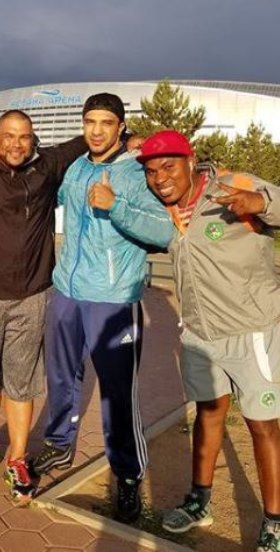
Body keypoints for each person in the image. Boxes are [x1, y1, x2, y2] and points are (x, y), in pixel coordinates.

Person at [31, 93, 174, 523]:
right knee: (61, 376)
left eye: (106, 123)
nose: (96, 130)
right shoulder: (76, 168)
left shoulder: (134, 173)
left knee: (117, 392)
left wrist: (117, 206)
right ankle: (59, 444)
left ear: (120, 127)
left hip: (113, 298)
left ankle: (127, 475)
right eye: (90, 121)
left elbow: (164, 231)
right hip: (67, 292)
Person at [138, 130, 280, 551]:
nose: (160, 178)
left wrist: (262, 203)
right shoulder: (167, 208)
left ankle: (275, 521)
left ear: (191, 160)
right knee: (209, 412)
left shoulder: (233, 185)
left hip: (252, 330)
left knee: (262, 425)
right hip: (200, 333)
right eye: (151, 171)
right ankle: (199, 501)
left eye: (168, 166)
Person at [0, 110, 88, 502]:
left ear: (33, 140)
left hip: (31, 296)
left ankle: (17, 456)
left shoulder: (46, 166)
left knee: (20, 380)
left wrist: (128, 139)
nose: (16, 144)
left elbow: (85, 140)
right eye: (9, 136)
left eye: (24, 137)